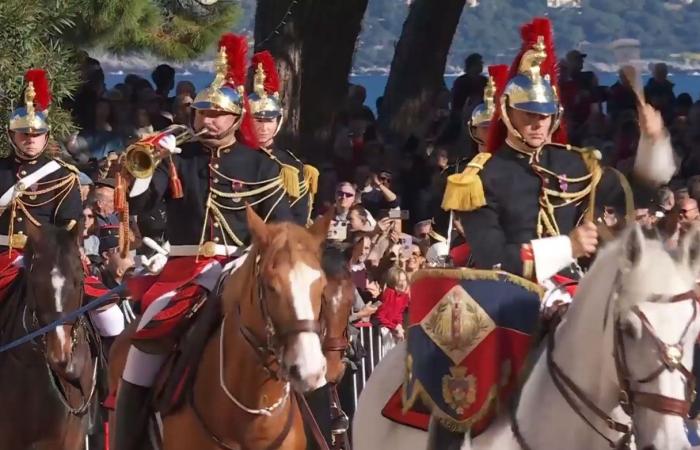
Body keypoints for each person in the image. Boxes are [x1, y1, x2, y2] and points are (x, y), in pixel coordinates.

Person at [113, 33, 293, 450]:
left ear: (235, 119)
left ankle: (326, 429)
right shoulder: (179, 158)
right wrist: (151, 161)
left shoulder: (260, 166)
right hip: (181, 272)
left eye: (217, 114)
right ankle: (128, 439)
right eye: (202, 113)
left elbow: (281, 227)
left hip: (239, 269)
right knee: (142, 351)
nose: (207, 121)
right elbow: (141, 202)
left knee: (299, 344)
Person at [443, 17, 675, 286]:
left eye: (544, 115)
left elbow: (638, 194)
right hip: (511, 296)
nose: (538, 123)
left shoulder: (574, 163)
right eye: (528, 114)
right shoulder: (480, 179)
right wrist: (567, 248)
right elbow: (492, 259)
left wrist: (652, 140)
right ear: (507, 113)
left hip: (574, 287)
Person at [248, 50, 318, 226]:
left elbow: (298, 216)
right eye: (258, 120)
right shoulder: (234, 157)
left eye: (269, 120)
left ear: (278, 121)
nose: (264, 127)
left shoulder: (290, 165)